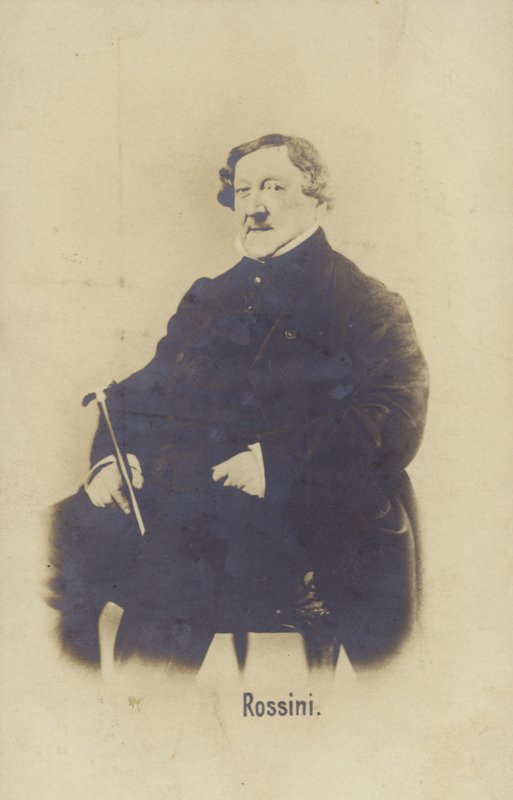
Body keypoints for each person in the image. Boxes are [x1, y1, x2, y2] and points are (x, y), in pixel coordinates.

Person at [49, 134, 429, 670]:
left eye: (274, 187)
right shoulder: (209, 295)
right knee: (48, 539)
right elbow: (148, 388)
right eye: (244, 190)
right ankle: (81, 705)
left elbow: (395, 418)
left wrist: (272, 463)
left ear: (317, 199)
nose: (255, 206)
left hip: (305, 512)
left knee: (174, 561)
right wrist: (114, 457)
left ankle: (147, 708)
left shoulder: (365, 301)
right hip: (182, 495)